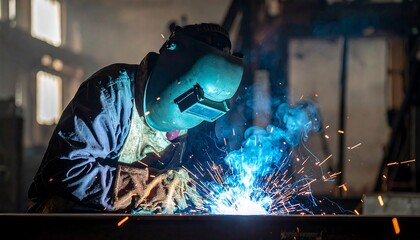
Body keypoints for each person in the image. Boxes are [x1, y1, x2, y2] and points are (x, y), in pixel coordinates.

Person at [28, 23, 244, 214]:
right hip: (68, 225)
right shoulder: (111, 94)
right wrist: (153, 189)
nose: (177, 131)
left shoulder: (205, 105)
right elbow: (66, 171)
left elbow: (205, 172)